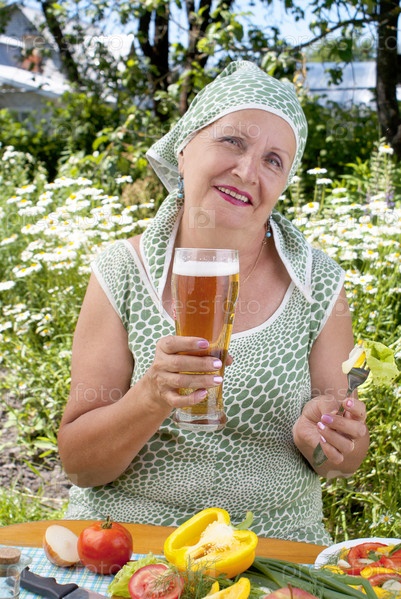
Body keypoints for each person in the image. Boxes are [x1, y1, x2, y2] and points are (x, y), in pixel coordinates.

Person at [58, 61, 369, 545]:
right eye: (233, 141)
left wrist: (328, 443)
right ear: (183, 149)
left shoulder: (318, 283)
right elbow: (80, 465)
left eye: (273, 160)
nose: (247, 171)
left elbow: (339, 464)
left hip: (271, 546)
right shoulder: (122, 270)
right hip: (129, 543)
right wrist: (151, 396)